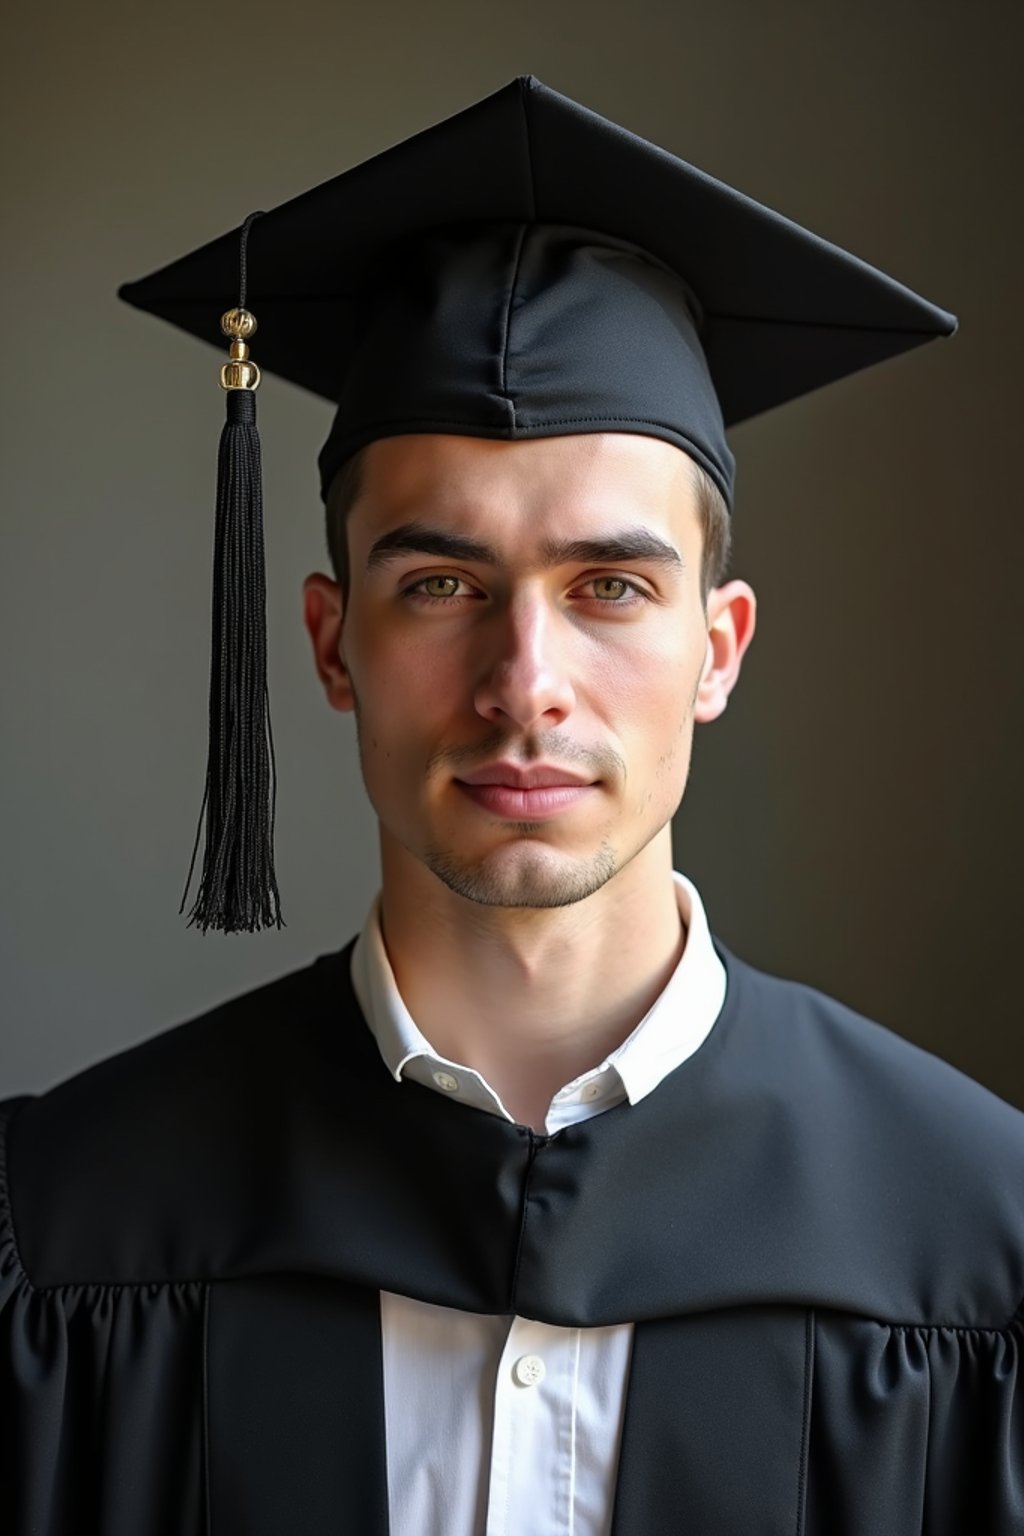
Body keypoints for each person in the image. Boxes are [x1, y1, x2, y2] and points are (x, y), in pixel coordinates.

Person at [2, 76, 1022, 1536]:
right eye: (439, 586)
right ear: (333, 642)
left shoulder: (978, 1245)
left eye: (609, 586)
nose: (524, 681)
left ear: (717, 650)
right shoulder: (69, 1228)